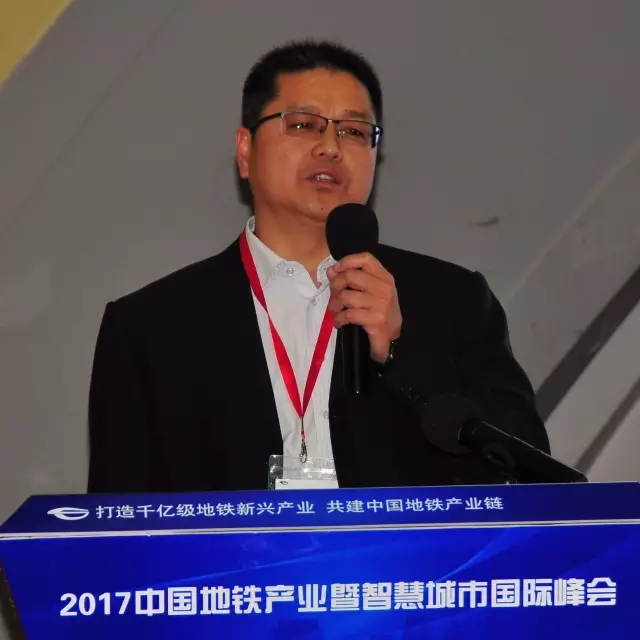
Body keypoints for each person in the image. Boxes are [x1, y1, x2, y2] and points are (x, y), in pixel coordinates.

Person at [87, 39, 549, 494]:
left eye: (353, 131)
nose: (330, 147)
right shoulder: (149, 326)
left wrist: (400, 353)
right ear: (245, 151)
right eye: (304, 124)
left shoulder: (455, 300)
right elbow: (117, 521)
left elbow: (531, 479)